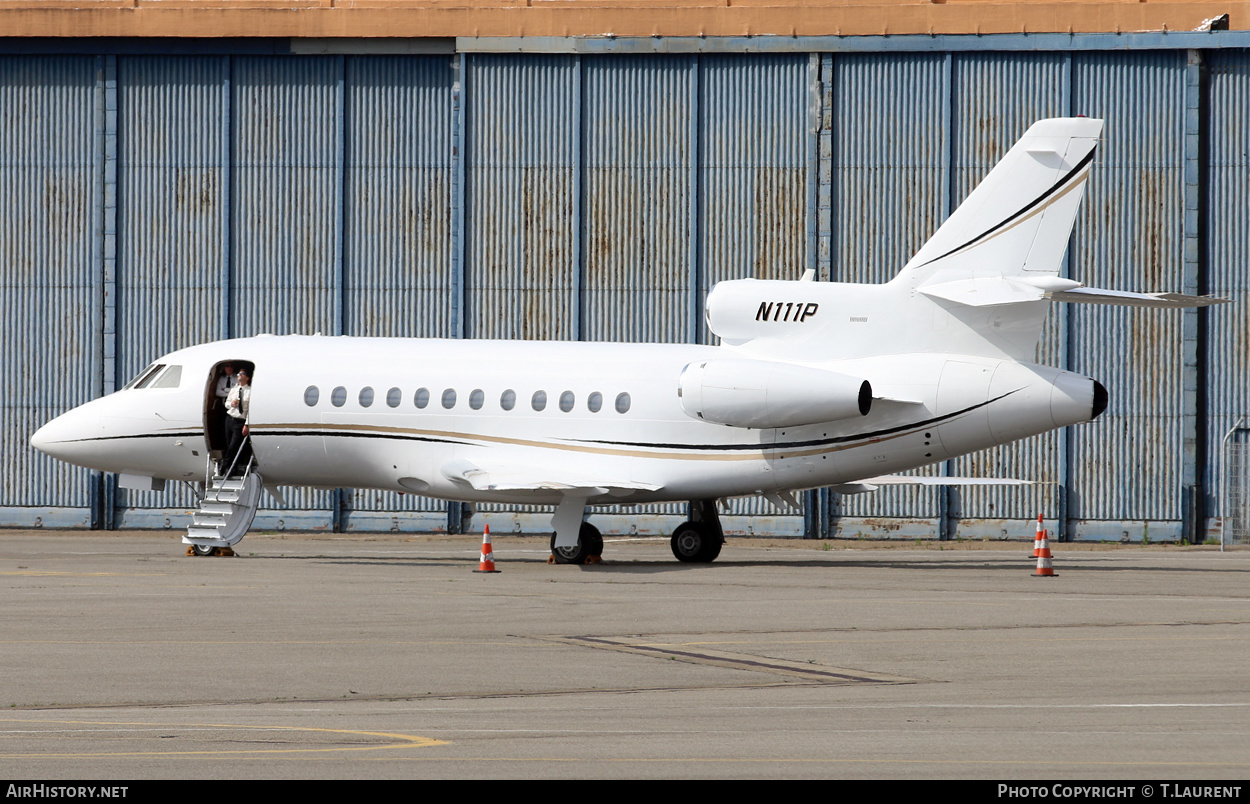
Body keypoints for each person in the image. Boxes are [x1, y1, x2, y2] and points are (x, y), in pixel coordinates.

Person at [223, 369, 252, 476]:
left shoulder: (250, 391)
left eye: (242, 374)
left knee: (234, 446)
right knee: (228, 444)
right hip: (230, 419)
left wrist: (247, 424)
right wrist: (232, 404)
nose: (239, 375)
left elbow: (250, 409)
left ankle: (225, 467)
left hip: (240, 421)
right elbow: (226, 403)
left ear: (247, 378)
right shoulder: (234, 389)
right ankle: (232, 468)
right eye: (239, 374)